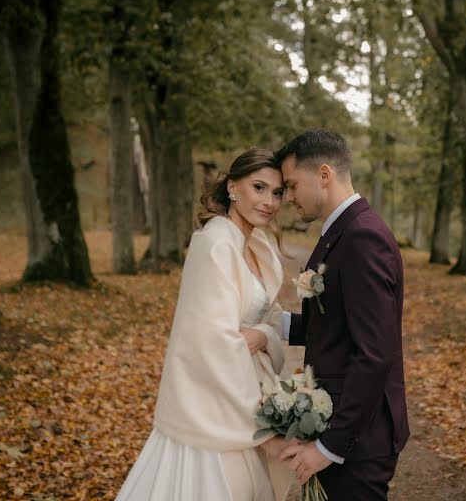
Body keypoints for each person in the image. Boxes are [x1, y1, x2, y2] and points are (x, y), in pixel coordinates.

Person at [115, 148, 293, 501]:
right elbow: (211, 342)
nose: (269, 201)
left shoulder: (254, 246)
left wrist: (263, 334)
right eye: (258, 187)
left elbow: (266, 319)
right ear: (232, 187)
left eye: (276, 192)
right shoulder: (214, 243)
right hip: (215, 407)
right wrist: (265, 431)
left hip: (247, 388)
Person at [275, 130, 410, 501]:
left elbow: (374, 354)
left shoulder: (363, 238)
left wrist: (329, 447)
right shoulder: (342, 232)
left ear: (323, 174)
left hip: (358, 442)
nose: (287, 198)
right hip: (340, 428)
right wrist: (277, 325)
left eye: (291, 185)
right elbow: (339, 324)